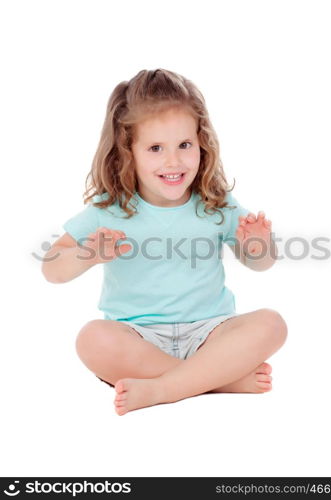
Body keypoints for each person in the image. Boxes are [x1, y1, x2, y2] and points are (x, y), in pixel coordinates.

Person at [42, 68, 288, 416]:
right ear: (128, 152)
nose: (173, 161)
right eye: (156, 148)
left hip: (211, 332)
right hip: (137, 336)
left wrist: (258, 245)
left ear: (201, 143)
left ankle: (166, 387)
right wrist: (86, 254)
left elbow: (260, 263)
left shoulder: (215, 203)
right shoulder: (108, 210)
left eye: (185, 145)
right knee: (92, 339)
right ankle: (218, 381)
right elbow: (51, 268)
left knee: (272, 323)